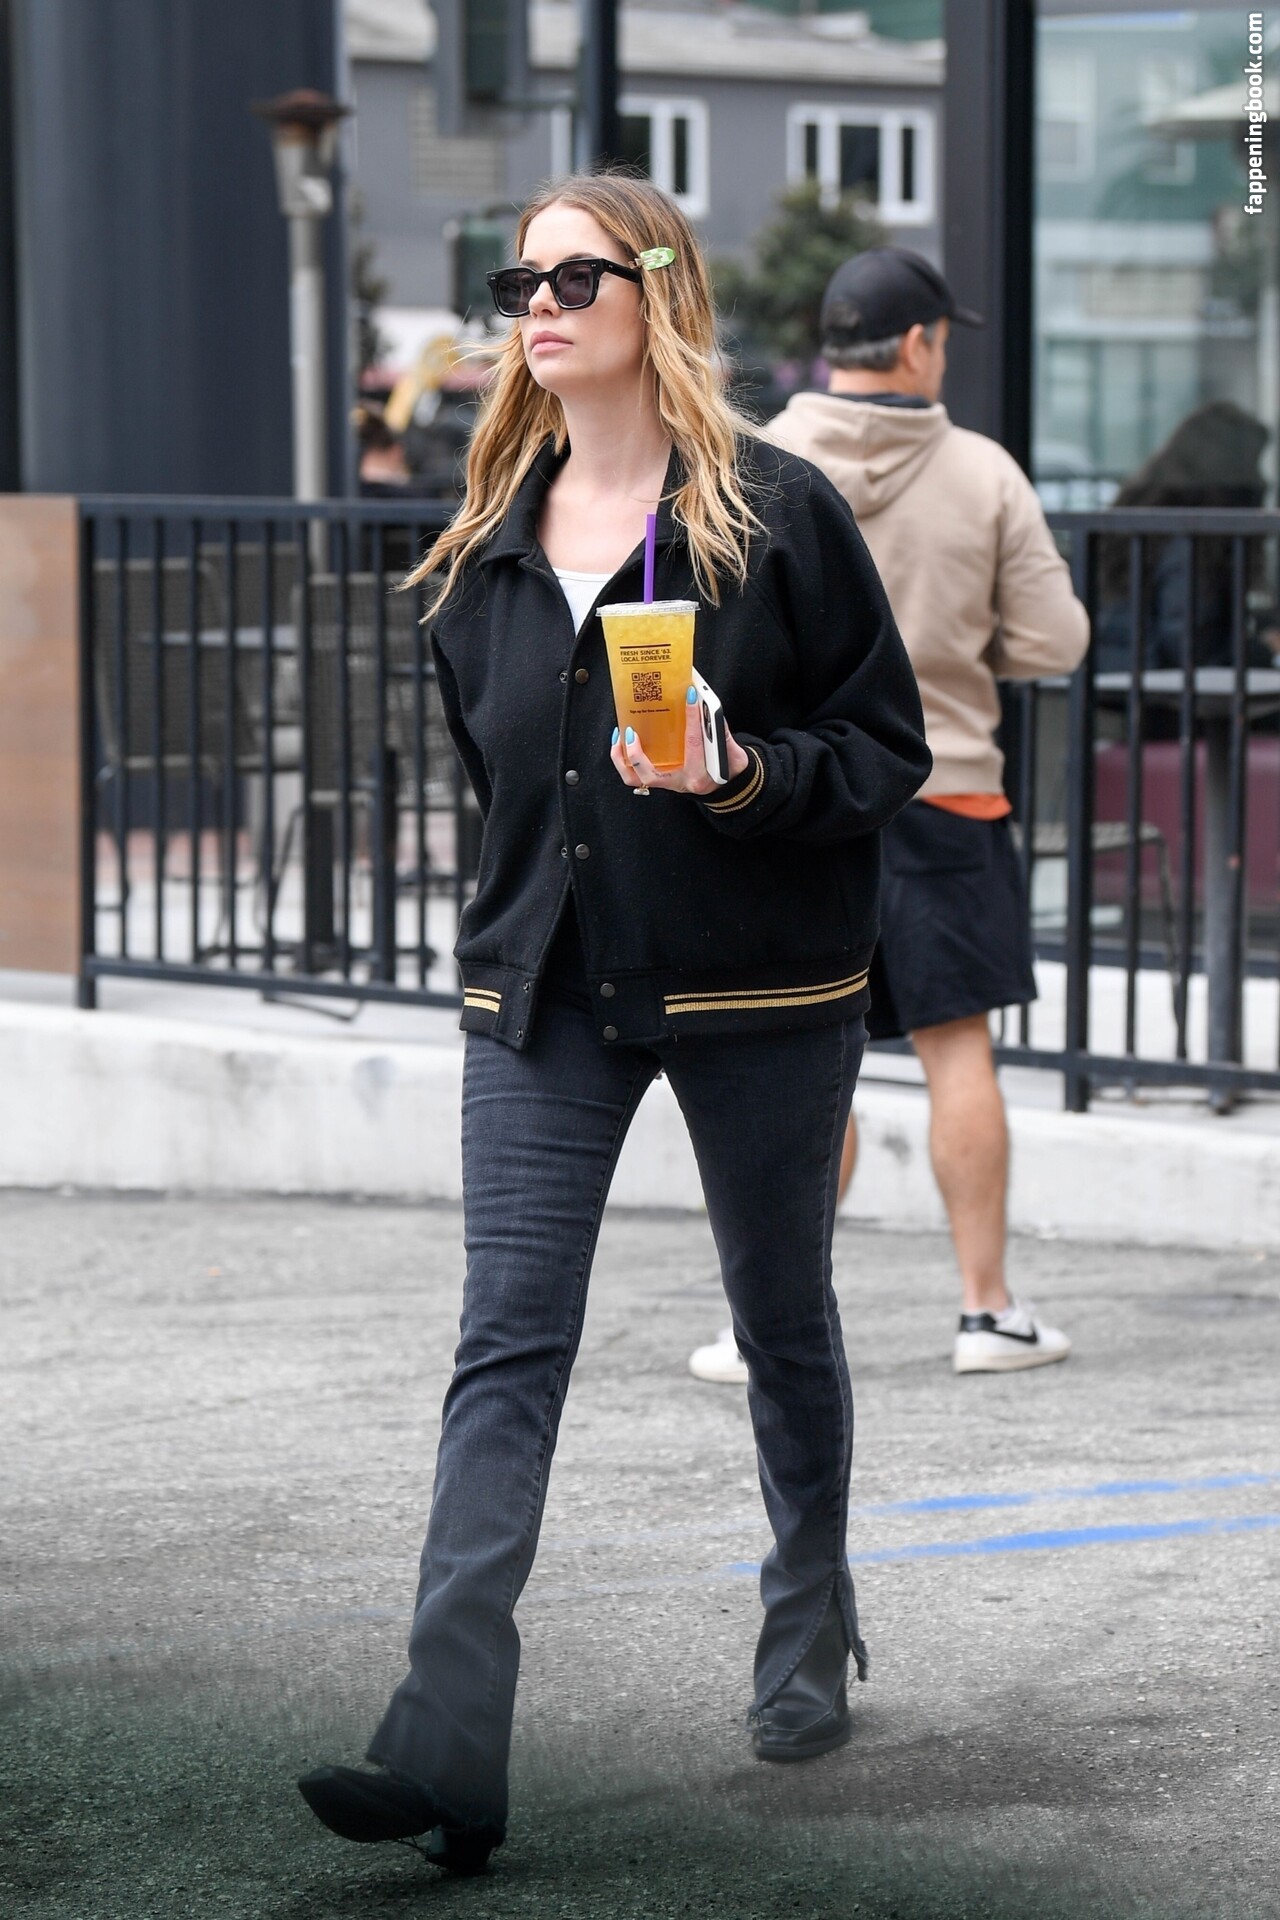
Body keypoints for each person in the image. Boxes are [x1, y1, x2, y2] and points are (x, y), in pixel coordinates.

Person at [296, 177, 930, 1873]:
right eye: (521, 281)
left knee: (779, 1317)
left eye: (576, 277)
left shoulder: (776, 516)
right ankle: (446, 1737)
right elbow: (503, 782)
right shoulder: (483, 550)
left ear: (661, 292)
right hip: (546, 995)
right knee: (506, 1341)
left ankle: (809, 1619)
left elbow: (885, 752)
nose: (539, 306)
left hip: (757, 986)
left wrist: (737, 771)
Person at [689, 247, 1088, 1389]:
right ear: (916, 344)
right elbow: (1055, 642)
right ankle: (987, 1313)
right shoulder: (982, 473)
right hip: (946, 790)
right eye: (942, 339)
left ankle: (762, 1327)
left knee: (809, 1066)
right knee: (958, 1055)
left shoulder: (756, 463)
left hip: (799, 802)